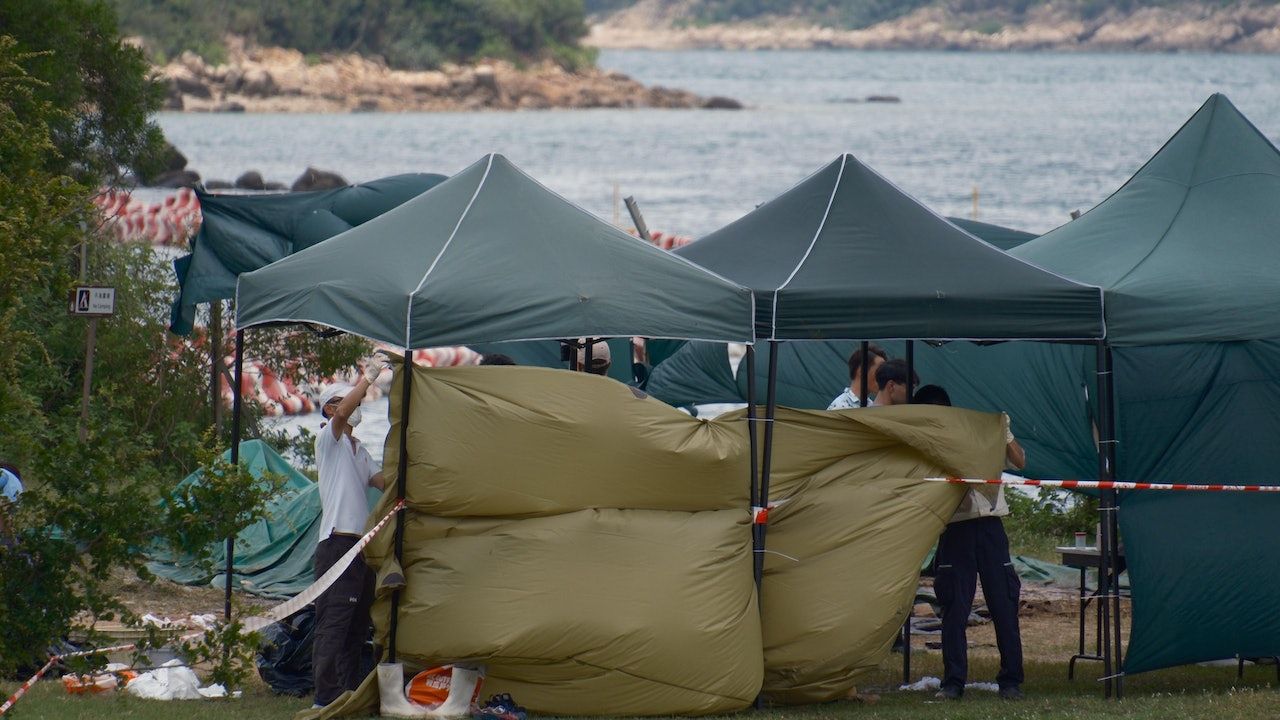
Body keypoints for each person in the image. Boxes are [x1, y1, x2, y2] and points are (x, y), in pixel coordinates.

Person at [915, 386, 1026, 701]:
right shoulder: (928, 443)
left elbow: (1020, 461)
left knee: (1003, 603)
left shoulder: (982, 430)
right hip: (955, 530)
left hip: (991, 527)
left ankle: (1011, 681)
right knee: (954, 607)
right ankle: (953, 682)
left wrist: (1004, 435)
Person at [312, 353, 388, 709]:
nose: (351, 408)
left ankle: (348, 692)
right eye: (342, 402)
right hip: (337, 543)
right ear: (329, 410)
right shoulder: (330, 442)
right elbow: (344, 415)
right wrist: (369, 377)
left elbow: (382, 481)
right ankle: (324, 696)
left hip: (361, 547)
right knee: (334, 620)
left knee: (358, 623)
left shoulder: (359, 450)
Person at [828, 344, 888, 409]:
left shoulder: (871, 405)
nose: (883, 375)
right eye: (880, 369)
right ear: (862, 370)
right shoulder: (840, 408)